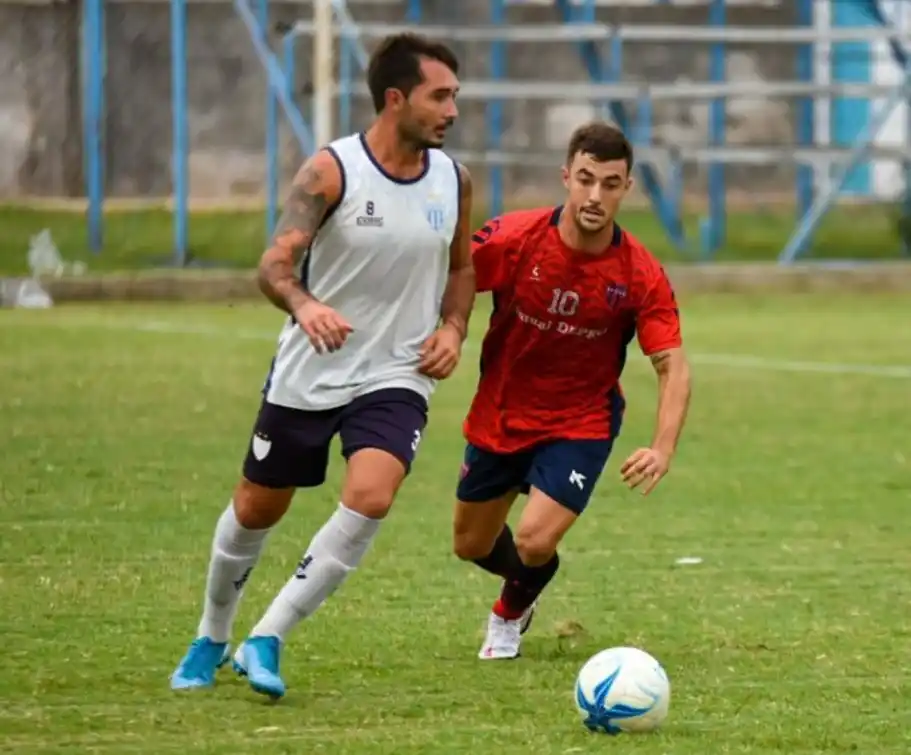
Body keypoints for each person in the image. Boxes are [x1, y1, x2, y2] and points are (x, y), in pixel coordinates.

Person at [170, 32, 475, 698]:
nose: (452, 110)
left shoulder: (454, 180)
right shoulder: (332, 172)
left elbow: (461, 269)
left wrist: (454, 328)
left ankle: (267, 637)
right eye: (439, 96)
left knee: (372, 495)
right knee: (255, 508)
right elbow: (274, 265)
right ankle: (212, 635)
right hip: (312, 369)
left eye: (455, 95)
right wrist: (305, 305)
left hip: (398, 372)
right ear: (394, 99)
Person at [451, 121, 692, 660]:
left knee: (534, 539)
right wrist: (445, 328)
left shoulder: (639, 273)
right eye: (586, 179)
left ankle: (508, 613)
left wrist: (663, 447)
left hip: (579, 421)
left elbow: (672, 364)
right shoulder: (514, 238)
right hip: (501, 410)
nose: (595, 195)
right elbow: (453, 273)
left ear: (627, 188)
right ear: (566, 176)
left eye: (610, 184)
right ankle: (533, 579)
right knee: (470, 544)